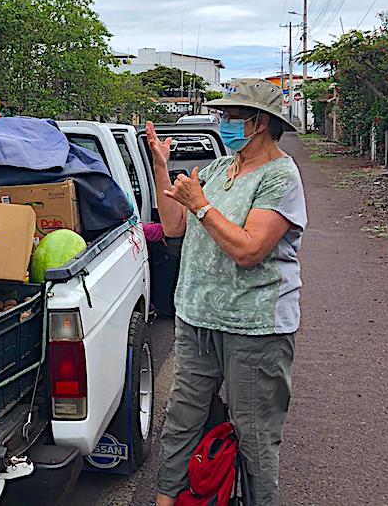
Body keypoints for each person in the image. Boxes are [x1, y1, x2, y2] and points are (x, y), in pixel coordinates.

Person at [149, 78, 307, 505]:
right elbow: (173, 227)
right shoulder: (219, 169)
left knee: (254, 434)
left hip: (254, 328)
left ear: (260, 123)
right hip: (197, 318)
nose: (225, 121)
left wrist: (201, 204)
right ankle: (166, 499)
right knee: (182, 422)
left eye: (233, 115)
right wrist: (162, 167)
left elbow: (250, 250)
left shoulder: (280, 176)